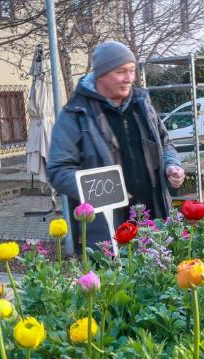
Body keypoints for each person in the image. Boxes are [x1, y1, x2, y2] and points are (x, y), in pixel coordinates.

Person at [47, 41, 186, 251]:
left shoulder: (143, 104)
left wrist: (171, 164)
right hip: (106, 232)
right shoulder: (75, 113)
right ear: (101, 74)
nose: (129, 78)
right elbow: (58, 170)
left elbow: (165, 143)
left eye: (132, 71)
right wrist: (103, 189)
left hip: (153, 221)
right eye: (121, 71)